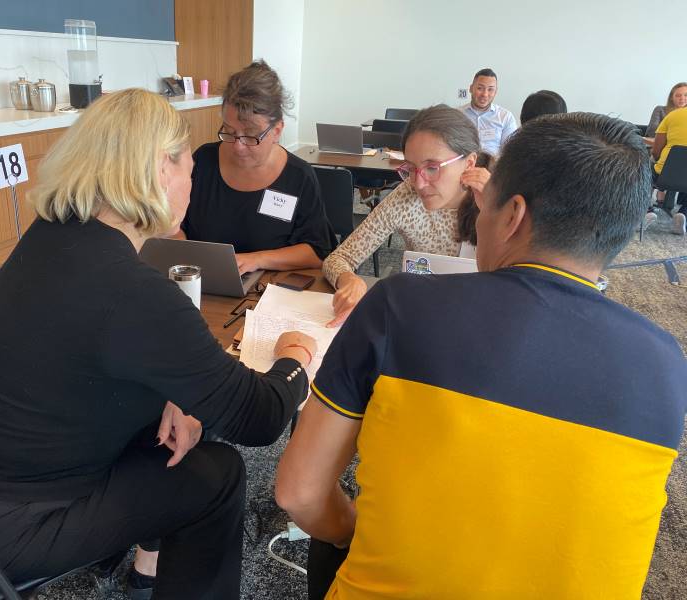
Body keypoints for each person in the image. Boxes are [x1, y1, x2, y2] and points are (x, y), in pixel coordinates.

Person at [0, 89, 318, 600]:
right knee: (218, 472)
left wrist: (178, 391)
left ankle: (145, 572)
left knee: (171, 431)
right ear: (160, 170)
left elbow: (90, 356)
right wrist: (293, 358)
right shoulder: (132, 290)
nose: (192, 180)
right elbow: (259, 419)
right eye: (189, 166)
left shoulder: (48, 236)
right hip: (2, 533)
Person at [276, 113, 687, 599]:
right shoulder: (667, 364)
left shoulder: (400, 306)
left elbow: (299, 492)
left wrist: (350, 533)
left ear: (511, 214)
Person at [322, 105, 491, 327]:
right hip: (423, 317)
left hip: (477, 321)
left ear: (469, 163)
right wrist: (350, 280)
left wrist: (493, 212)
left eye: (432, 168)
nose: (418, 183)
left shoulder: (494, 200)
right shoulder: (407, 196)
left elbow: (520, 285)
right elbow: (338, 259)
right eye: (411, 169)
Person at [181, 60, 337, 274]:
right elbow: (176, 227)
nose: (238, 146)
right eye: (229, 131)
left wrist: (258, 259)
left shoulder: (298, 177)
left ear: (277, 130)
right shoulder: (203, 162)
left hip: (268, 292)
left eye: (251, 135)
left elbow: (317, 251)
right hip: (204, 283)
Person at [458, 68, 518, 155]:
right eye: (480, 88)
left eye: (490, 89)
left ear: (495, 92)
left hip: (493, 166)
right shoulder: (457, 115)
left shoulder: (505, 117)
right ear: (471, 88)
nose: (485, 94)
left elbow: (510, 152)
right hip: (464, 165)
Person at [652, 103, 687, 234]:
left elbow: (656, 151)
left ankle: (646, 211)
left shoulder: (673, 115)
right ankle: (683, 214)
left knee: (645, 172)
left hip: (664, 174)